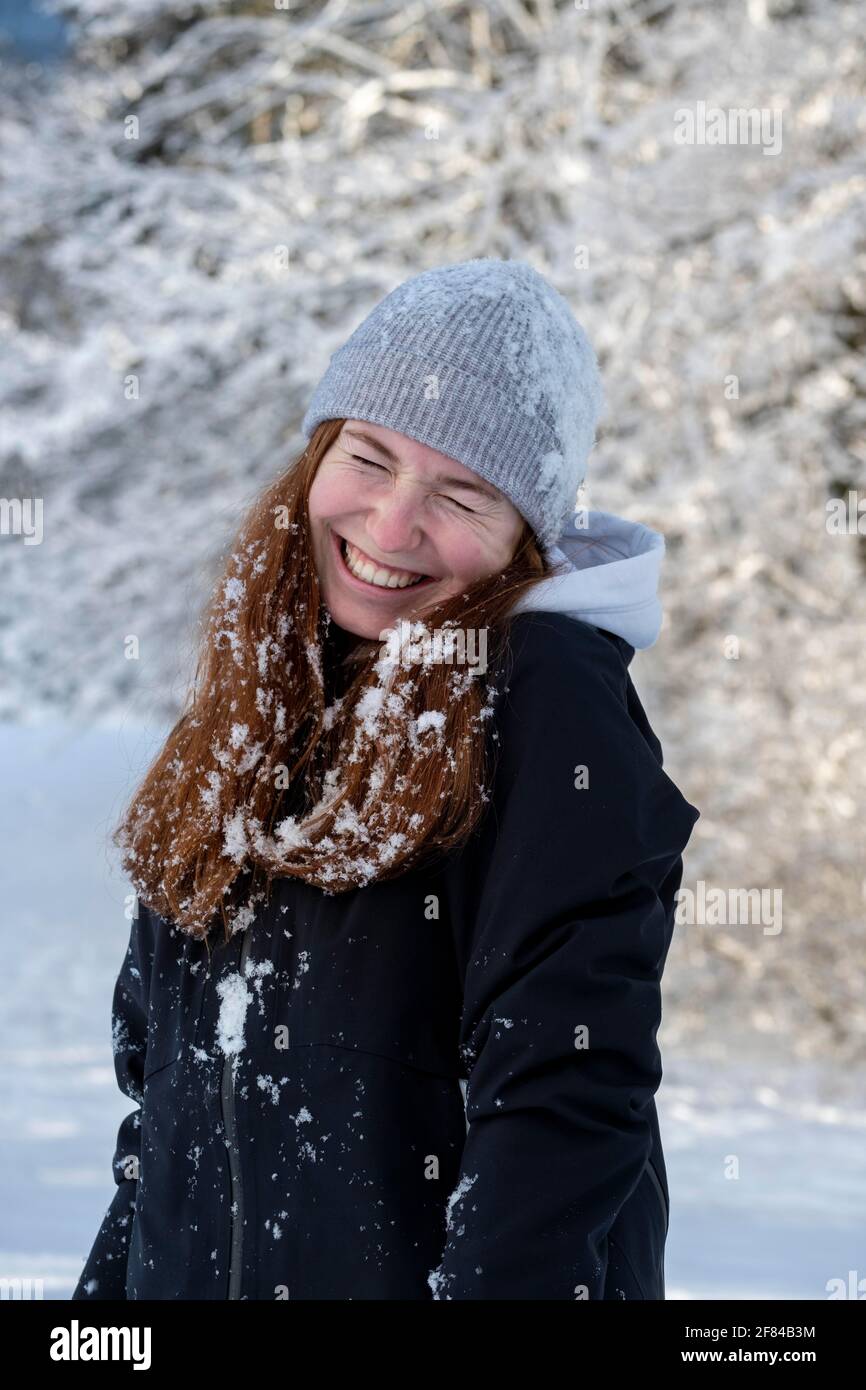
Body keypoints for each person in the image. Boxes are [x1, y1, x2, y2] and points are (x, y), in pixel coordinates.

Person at [71, 257, 699, 1301]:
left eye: (460, 494)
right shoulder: (255, 704)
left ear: (522, 545)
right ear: (317, 454)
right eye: (370, 457)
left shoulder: (539, 690)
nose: (392, 524)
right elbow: (167, 1116)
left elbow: (564, 1093)